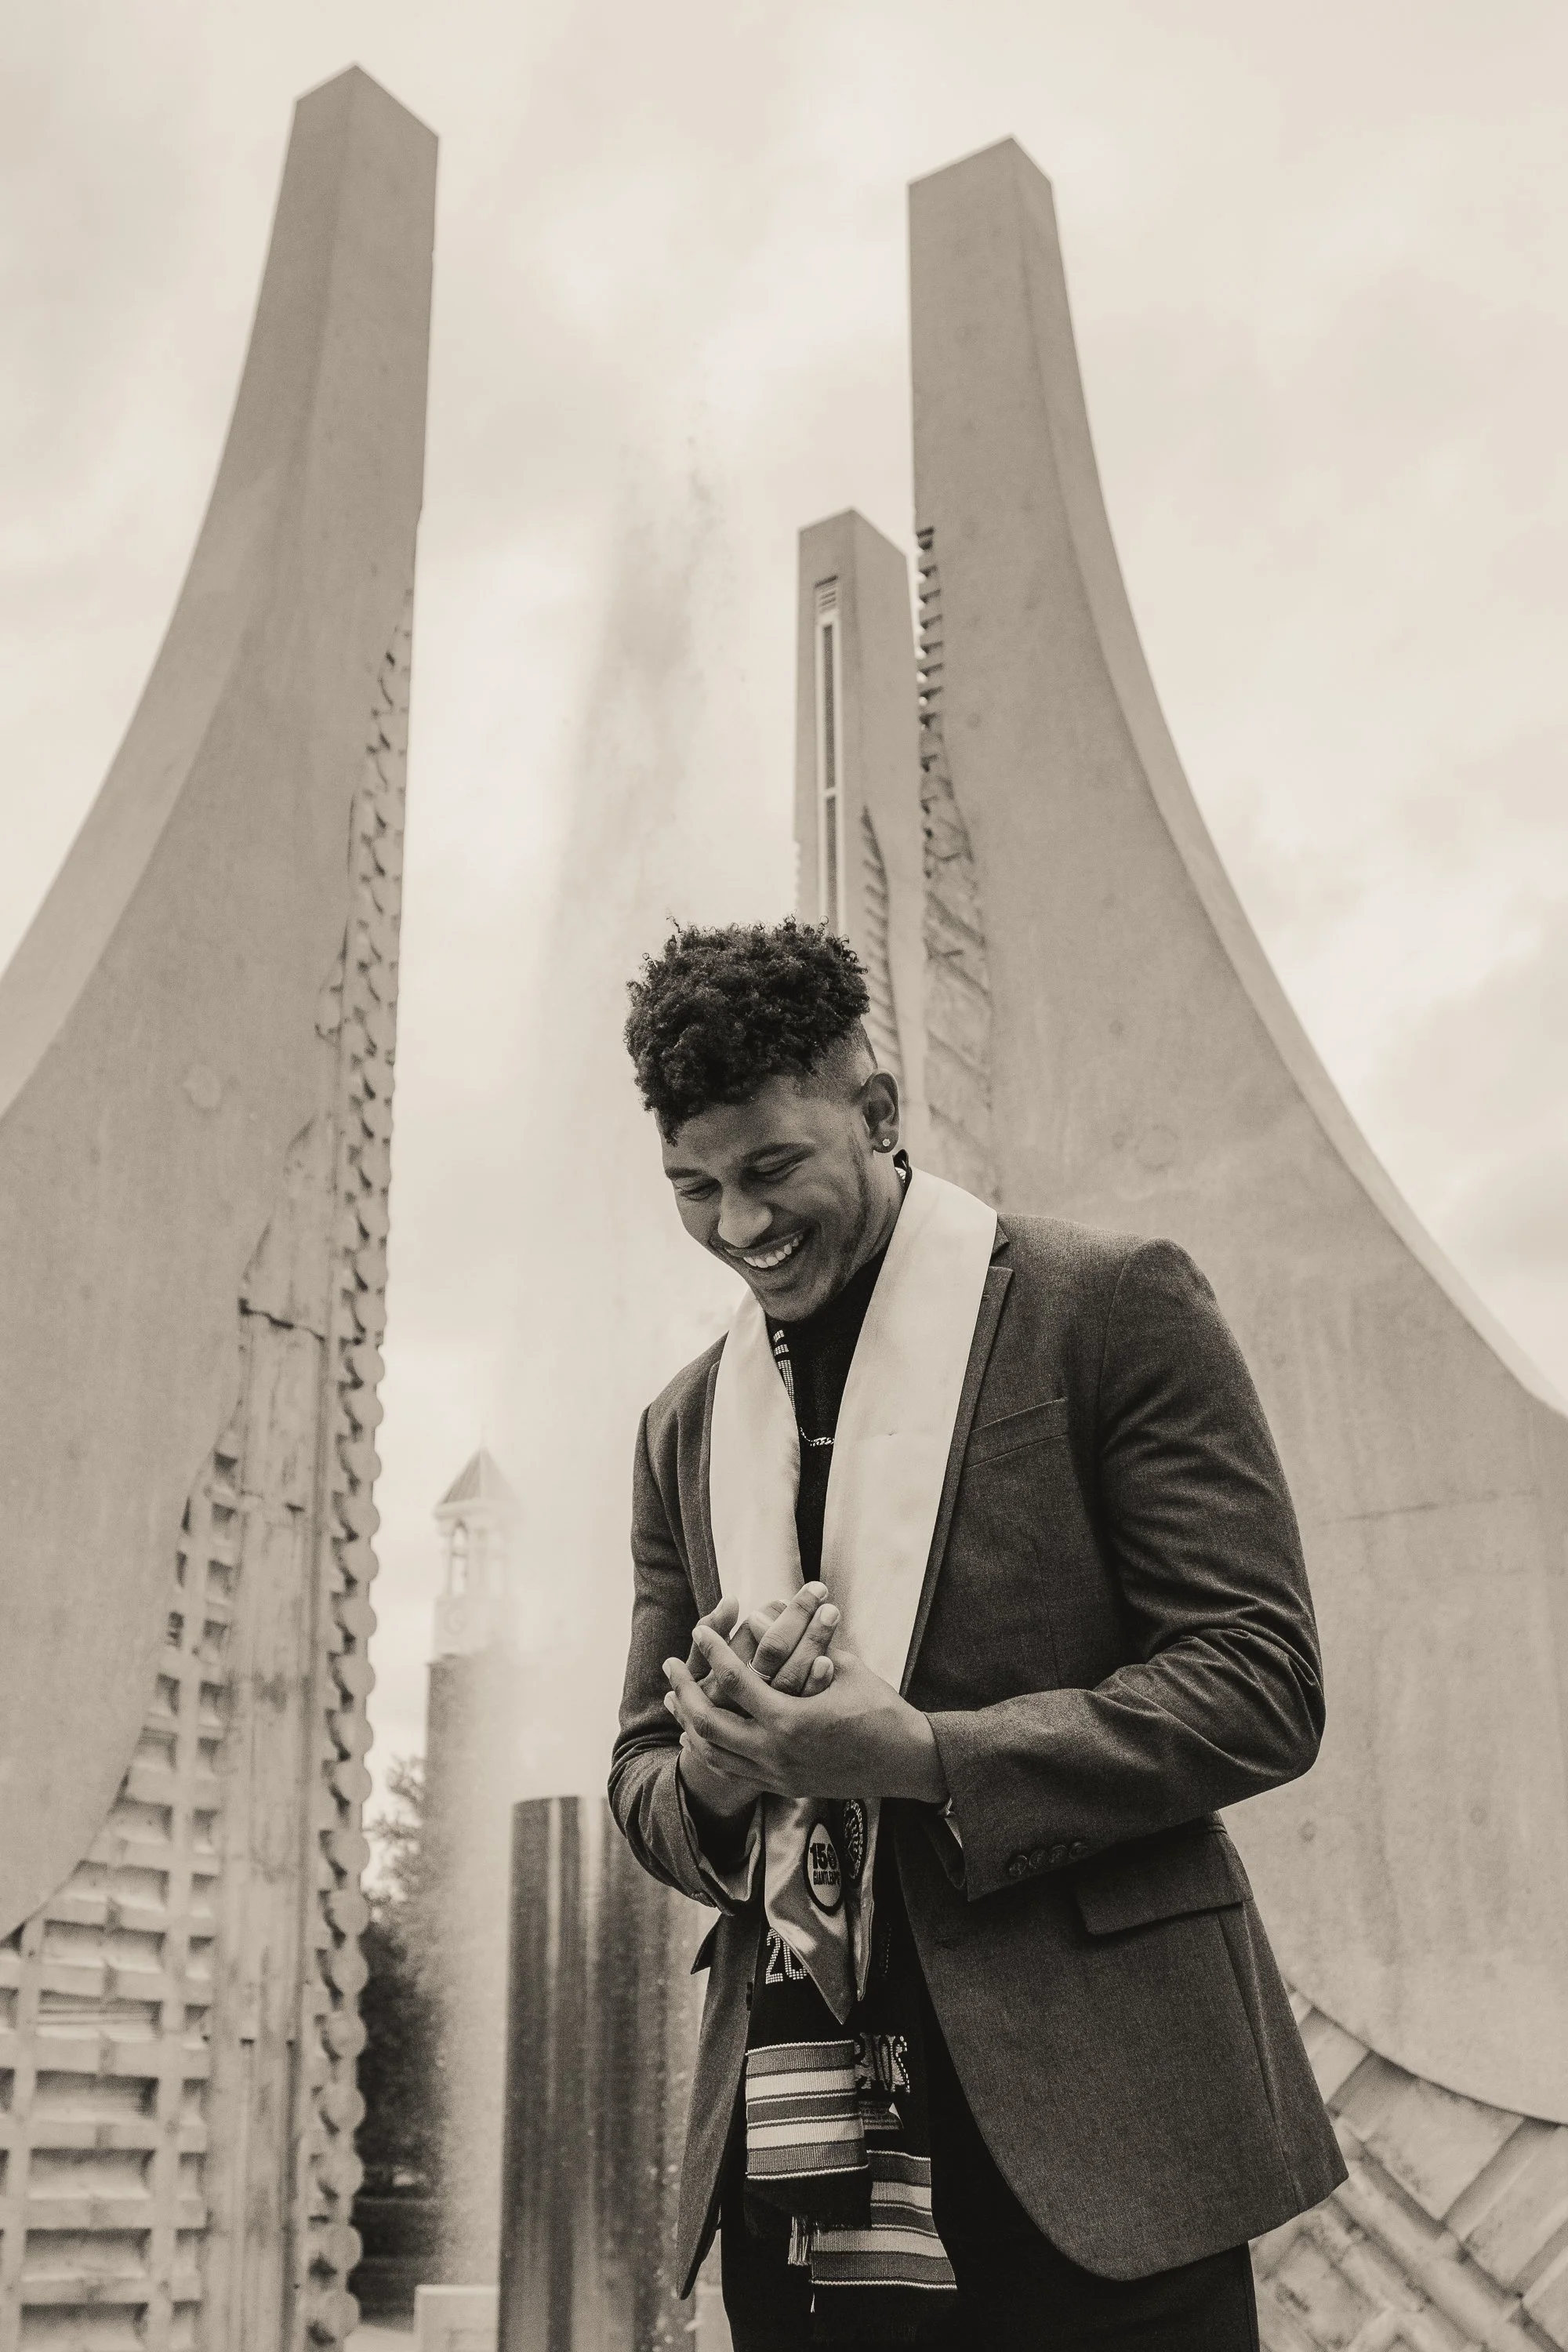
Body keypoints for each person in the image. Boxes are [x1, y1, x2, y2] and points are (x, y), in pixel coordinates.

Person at [609, 919, 1344, 2350]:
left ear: (878, 1112)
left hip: (1101, 2142)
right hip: (799, 2149)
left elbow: (1261, 1680)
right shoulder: (678, 1429)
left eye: (770, 1170)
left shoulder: (1112, 1305)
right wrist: (717, 1769)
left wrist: (927, 1755)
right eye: (693, 1188)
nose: (737, 1228)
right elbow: (641, 1779)